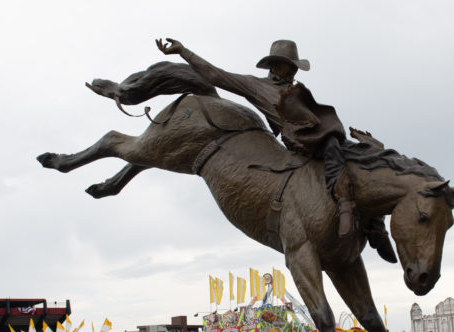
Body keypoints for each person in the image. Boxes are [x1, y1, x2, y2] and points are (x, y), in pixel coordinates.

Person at [144, 38, 397, 260]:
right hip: (304, 143)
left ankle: (375, 227)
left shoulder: (297, 90)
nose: (295, 69)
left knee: (370, 156)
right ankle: (343, 202)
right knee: (332, 148)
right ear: (276, 65)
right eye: (291, 64)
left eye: (296, 65)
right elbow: (215, 75)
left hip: (321, 136)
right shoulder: (255, 85)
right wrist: (184, 52)